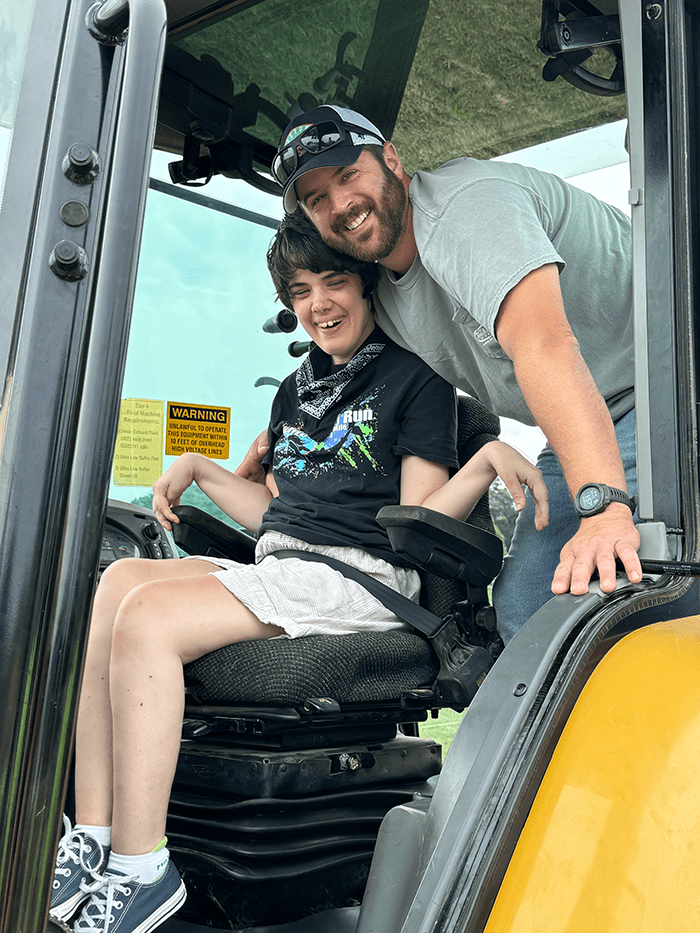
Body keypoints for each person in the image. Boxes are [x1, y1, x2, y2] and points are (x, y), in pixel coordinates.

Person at [49, 215, 547, 933]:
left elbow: (418, 517)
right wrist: (199, 469)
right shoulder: (294, 391)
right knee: (119, 583)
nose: (319, 303)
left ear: (367, 283)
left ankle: (142, 865)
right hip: (288, 562)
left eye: (335, 281)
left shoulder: (416, 379)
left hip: (364, 576)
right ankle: (94, 836)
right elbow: (277, 515)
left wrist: (482, 462)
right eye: (302, 290)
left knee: (149, 621)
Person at [237, 104, 641, 642]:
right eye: (316, 198)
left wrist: (604, 508)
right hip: (598, 417)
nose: (340, 204)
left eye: (348, 175)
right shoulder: (381, 292)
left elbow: (545, 347)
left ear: (392, 160)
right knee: (527, 611)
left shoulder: (466, 209)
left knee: (629, 588)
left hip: (671, 383)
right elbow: (348, 376)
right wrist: (283, 447)